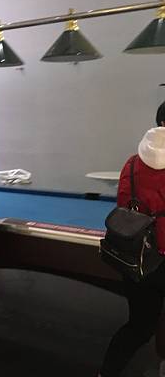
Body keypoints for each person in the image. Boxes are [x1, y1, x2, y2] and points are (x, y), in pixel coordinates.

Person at [99, 126, 165, 377]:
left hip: (136, 255)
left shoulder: (132, 163)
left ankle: (106, 373)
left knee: (139, 327)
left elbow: (124, 203)